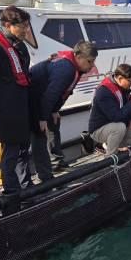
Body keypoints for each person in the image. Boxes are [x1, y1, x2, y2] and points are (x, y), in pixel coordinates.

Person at [0, 6, 33, 200]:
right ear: (8, 25)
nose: (26, 30)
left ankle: (26, 186)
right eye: (22, 26)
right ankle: (11, 191)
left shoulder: (19, 46)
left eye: (27, 25)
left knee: (23, 149)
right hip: (5, 108)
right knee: (10, 151)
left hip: (21, 105)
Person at [30, 41, 98, 182]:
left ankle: (56, 162)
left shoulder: (75, 68)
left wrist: (54, 110)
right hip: (32, 98)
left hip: (41, 99)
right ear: (78, 57)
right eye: (89, 61)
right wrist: (42, 117)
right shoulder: (66, 68)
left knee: (54, 123)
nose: (92, 65)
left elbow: (61, 92)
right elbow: (51, 94)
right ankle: (45, 176)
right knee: (39, 134)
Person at [88, 64, 131, 154]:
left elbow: (127, 108)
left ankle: (110, 144)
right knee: (119, 127)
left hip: (118, 125)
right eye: (130, 81)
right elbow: (116, 117)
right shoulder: (104, 91)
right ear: (120, 78)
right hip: (99, 129)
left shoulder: (124, 88)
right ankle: (111, 157)